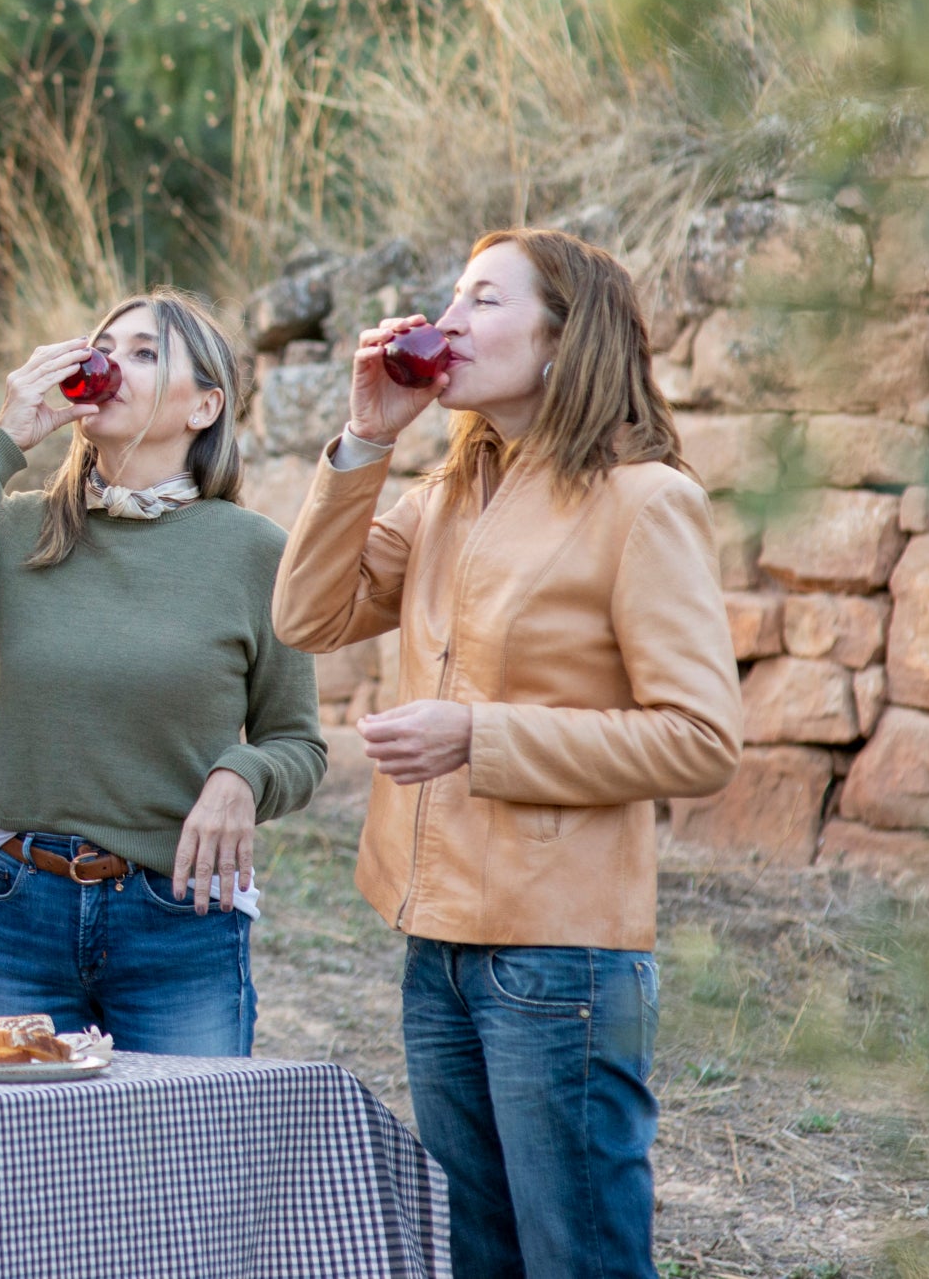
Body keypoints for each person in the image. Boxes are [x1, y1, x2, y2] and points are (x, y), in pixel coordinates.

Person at [272, 228, 741, 1279]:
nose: (446, 322)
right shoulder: (445, 493)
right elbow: (307, 615)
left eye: (483, 300)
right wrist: (363, 441)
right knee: (476, 1256)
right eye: (452, 297)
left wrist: (478, 735)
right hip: (434, 941)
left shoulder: (646, 502)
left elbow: (701, 738)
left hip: (561, 953)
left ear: (563, 338)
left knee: (579, 1258)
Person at [0, 289, 322, 1053]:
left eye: (145, 352)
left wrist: (242, 776)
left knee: (183, 1133)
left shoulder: (255, 551)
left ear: (204, 406)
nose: (110, 362)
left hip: (179, 911)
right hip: (22, 904)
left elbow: (297, 744)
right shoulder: (23, 528)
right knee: (33, 1132)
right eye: (103, 347)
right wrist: (5, 441)